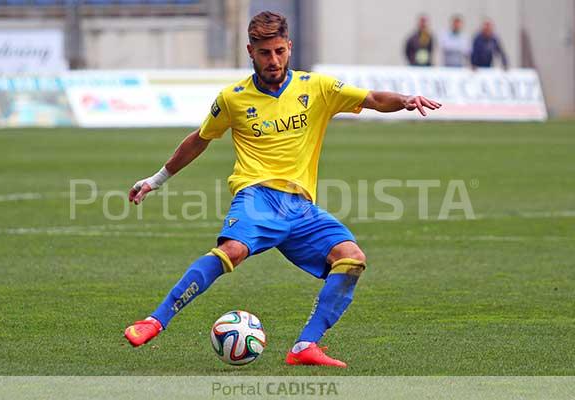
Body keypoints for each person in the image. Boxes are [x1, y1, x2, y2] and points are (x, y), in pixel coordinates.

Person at [124, 11, 441, 368]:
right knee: (233, 250)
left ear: (289, 47)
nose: (273, 60)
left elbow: (371, 98)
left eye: (279, 51)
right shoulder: (233, 98)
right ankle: (154, 321)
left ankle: (305, 346)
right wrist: (156, 180)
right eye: (264, 53)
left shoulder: (316, 87)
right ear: (250, 51)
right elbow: (200, 139)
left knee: (351, 258)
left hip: (301, 209)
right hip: (258, 196)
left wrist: (405, 100)